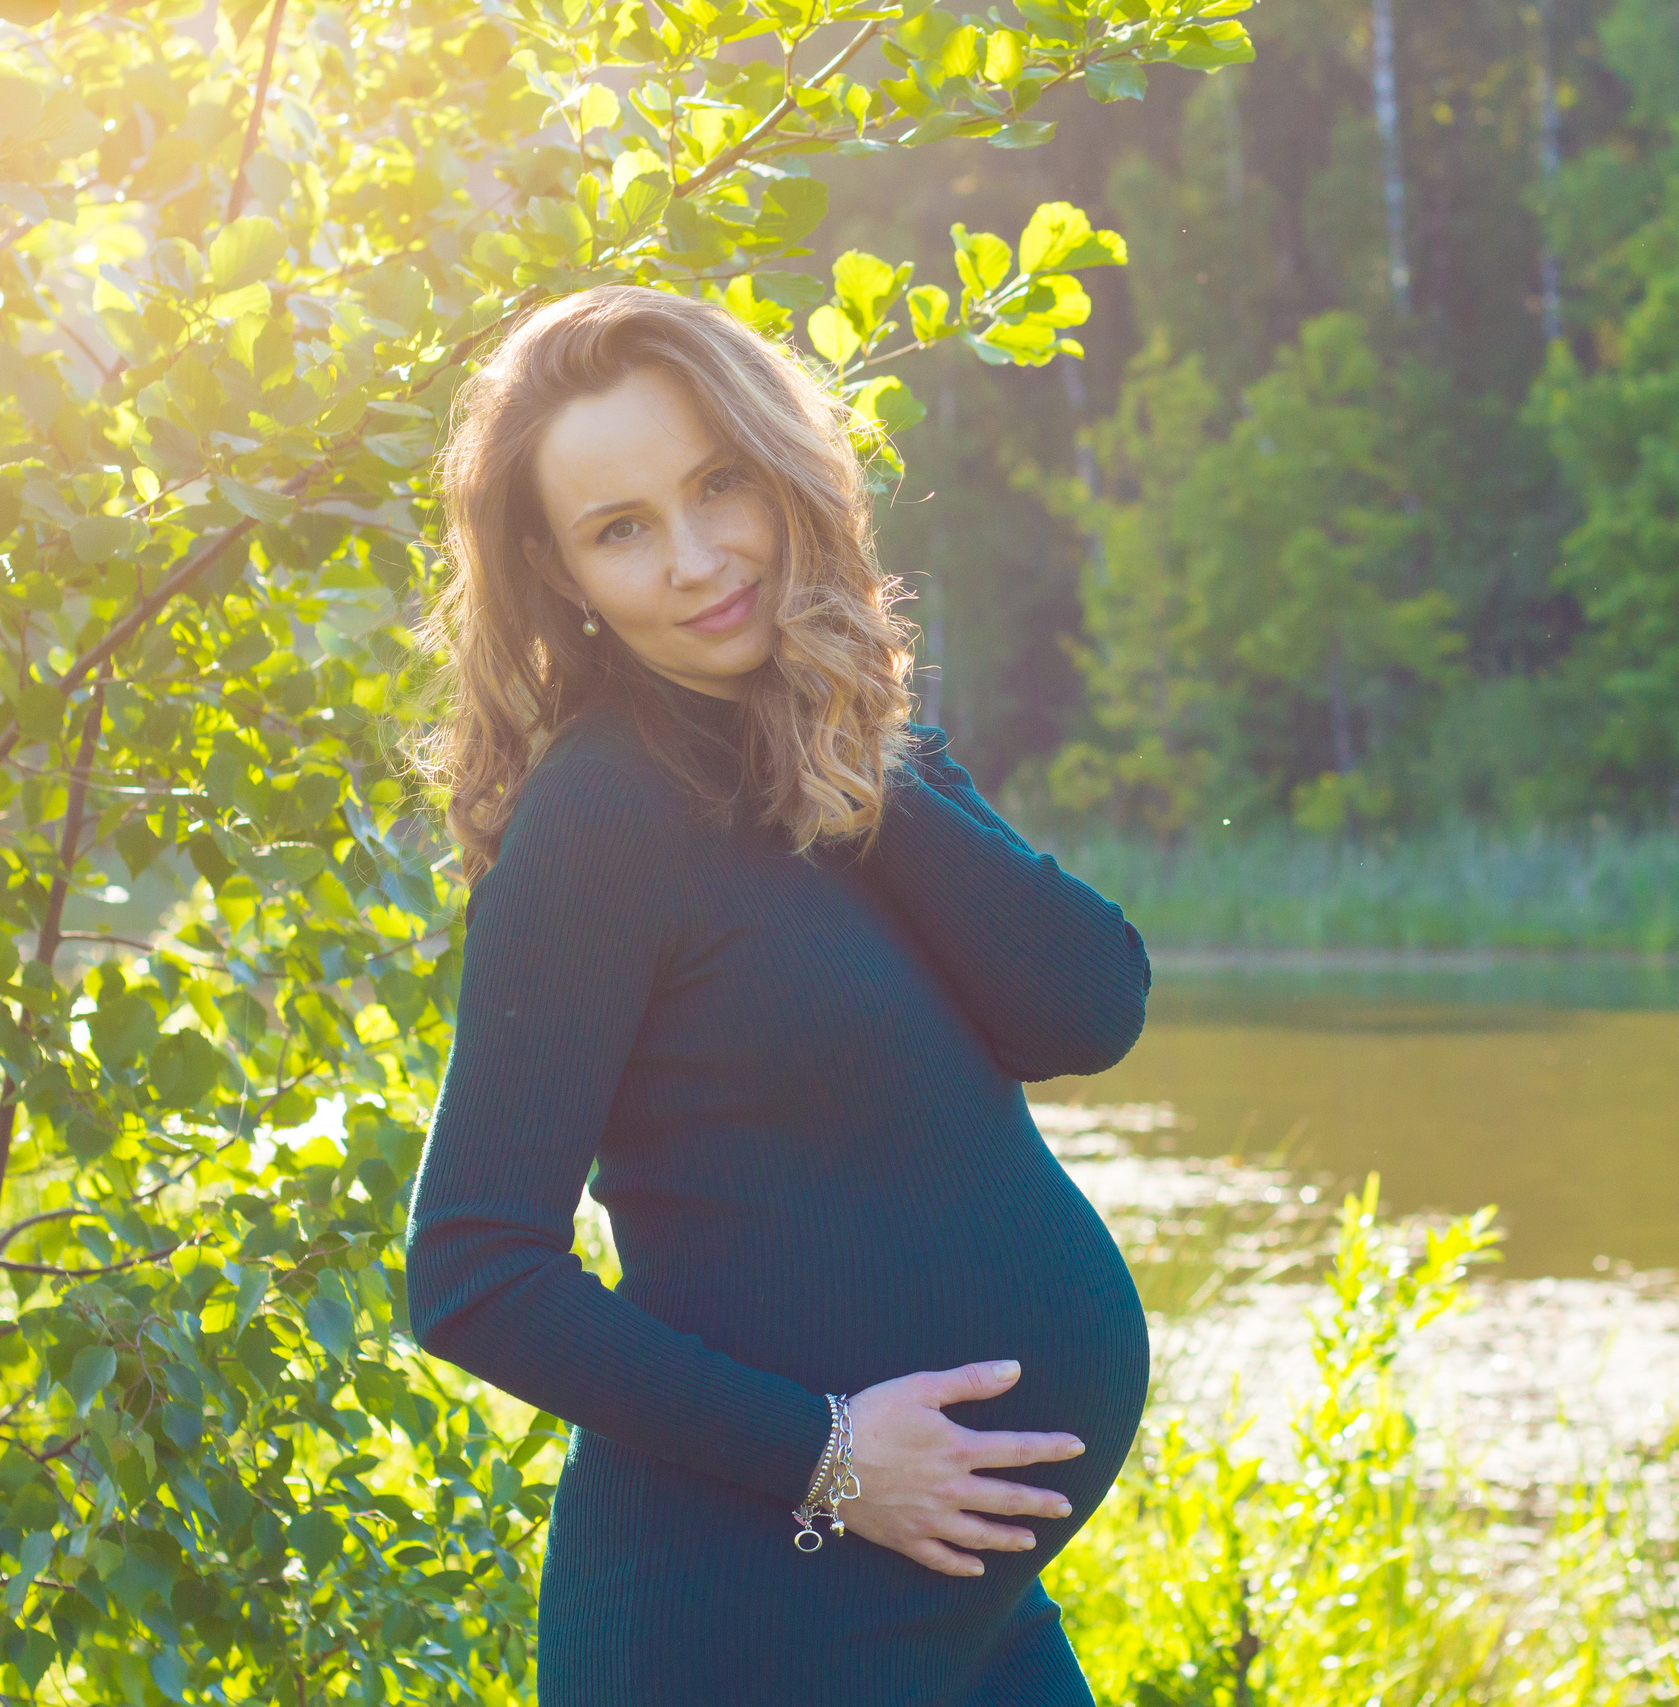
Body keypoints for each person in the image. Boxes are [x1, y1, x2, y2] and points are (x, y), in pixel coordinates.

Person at [403, 283, 1152, 1705]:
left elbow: (1085, 1009)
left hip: (965, 1623)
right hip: (747, 1623)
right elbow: (472, 1271)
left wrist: (845, 729)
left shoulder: (852, 733)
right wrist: (827, 1454)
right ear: (562, 575)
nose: (694, 561)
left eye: (717, 486)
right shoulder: (602, 816)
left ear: (781, 467)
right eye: (622, 530)